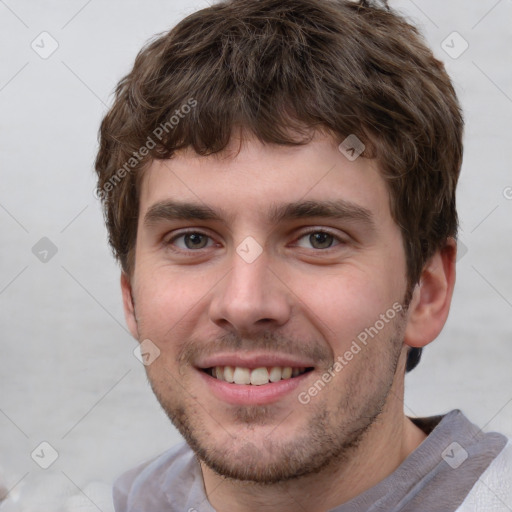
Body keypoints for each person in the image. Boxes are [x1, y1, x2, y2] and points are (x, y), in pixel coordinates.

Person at [94, 0, 512, 510]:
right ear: (131, 296)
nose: (246, 304)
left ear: (425, 292)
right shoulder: (133, 499)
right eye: (193, 240)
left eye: (318, 239)